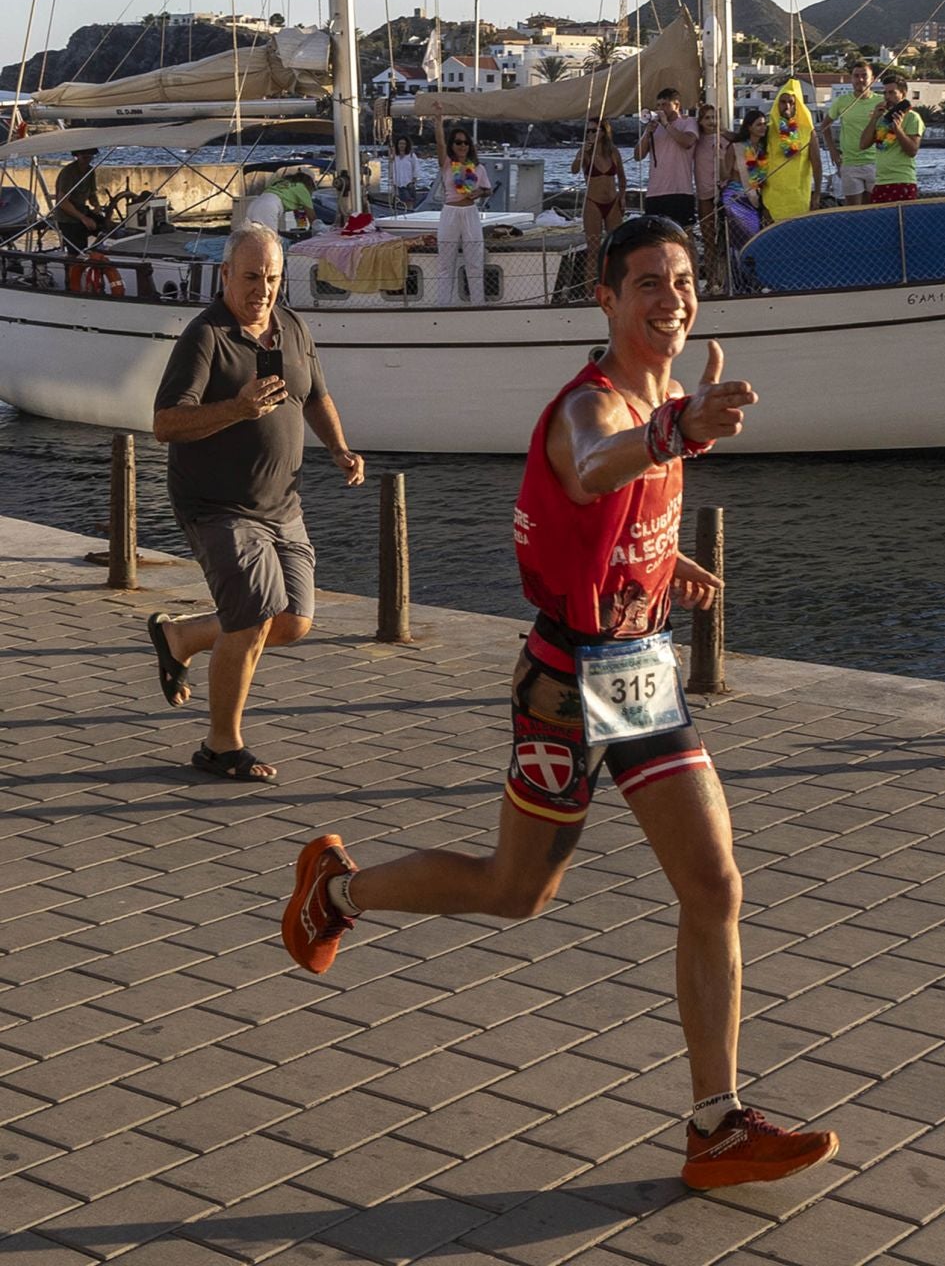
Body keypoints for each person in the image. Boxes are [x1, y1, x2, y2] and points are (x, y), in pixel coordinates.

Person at [281, 214, 839, 1192]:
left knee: (713, 886)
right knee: (514, 892)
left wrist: (672, 562)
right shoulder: (594, 408)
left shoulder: (662, 395)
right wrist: (677, 428)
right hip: (565, 683)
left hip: (641, 672)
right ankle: (335, 891)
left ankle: (715, 1123)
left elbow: (624, 511)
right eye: (647, 283)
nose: (670, 296)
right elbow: (591, 467)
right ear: (606, 300)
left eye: (681, 279)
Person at [146, 222, 364, 781]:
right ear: (225, 275)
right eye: (250, 277)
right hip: (217, 505)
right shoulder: (206, 337)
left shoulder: (290, 326)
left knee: (293, 620)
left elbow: (315, 393)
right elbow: (166, 423)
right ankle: (221, 745)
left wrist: (339, 447)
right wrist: (236, 409)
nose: (261, 290)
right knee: (251, 615)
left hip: (281, 504)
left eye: (271, 278)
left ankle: (181, 636)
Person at [432, 105, 493, 306]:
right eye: (458, 142)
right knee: (445, 263)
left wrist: (480, 192)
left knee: (474, 262)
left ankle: (478, 304)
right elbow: (440, 144)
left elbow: (487, 189)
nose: (462, 146)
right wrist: (438, 120)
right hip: (451, 213)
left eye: (466, 143)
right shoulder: (447, 164)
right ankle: (443, 305)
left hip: (470, 213)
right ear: (453, 144)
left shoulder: (477, 167)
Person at [571, 116, 627, 286]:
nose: (590, 134)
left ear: (603, 132)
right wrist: (581, 154)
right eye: (587, 131)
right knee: (593, 249)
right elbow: (573, 170)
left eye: (593, 130)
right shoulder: (586, 153)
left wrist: (622, 196)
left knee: (615, 248)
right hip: (593, 202)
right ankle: (589, 290)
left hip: (612, 202)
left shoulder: (613, 152)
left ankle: (616, 286)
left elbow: (622, 178)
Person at [634, 87, 697, 227]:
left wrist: (666, 125)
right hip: (655, 192)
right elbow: (638, 156)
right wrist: (647, 133)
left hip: (680, 190)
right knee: (656, 235)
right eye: (658, 105)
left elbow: (687, 142)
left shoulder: (688, 122)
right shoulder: (654, 128)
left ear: (677, 105)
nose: (661, 109)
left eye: (665, 105)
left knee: (685, 234)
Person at [763, 80, 822, 222]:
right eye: (783, 102)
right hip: (773, 196)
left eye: (791, 102)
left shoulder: (807, 131)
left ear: (797, 105)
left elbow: (817, 164)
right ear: (777, 103)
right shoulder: (767, 129)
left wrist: (817, 194)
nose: (787, 106)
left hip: (798, 196)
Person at [862, 69, 924, 203]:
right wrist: (874, 119)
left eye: (891, 92)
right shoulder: (882, 119)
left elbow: (912, 150)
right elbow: (863, 144)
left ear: (903, 94)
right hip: (880, 181)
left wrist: (898, 129)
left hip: (902, 180)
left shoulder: (913, 118)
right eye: (885, 93)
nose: (887, 96)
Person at [822, 60, 879, 205]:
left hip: (876, 162)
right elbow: (824, 126)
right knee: (853, 212)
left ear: (872, 79)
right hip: (849, 163)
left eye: (864, 76)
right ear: (851, 79)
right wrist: (833, 151)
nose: (860, 79)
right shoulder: (842, 102)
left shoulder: (881, 102)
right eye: (856, 76)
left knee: (874, 210)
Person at [720, 109, 769, 249]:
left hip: (754, 200)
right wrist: (719, 157)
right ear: (749, 127)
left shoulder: (763, 149)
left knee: (755, 239)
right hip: (735, 199)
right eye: (759, 124)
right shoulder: (736, 147)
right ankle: (737, 268)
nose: (763, 127)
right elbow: (724, 175)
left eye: (764, 124)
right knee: (741, 240)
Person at [693, 102, 729, 287]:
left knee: (725, 238)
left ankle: (725, 278)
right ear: (700, 121)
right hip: (704, 194)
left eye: (714, 117)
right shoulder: (696, 142)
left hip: (723, 191)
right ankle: (711, 279)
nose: (711, 121)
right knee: (708, 239)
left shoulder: (724, 140)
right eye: (707, 118)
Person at [54, 147, 110, 254]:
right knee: (76, 248)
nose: (87, 157)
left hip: (81, 210)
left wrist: (97, 206)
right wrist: (84, 218)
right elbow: (63, 202)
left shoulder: (90, 171)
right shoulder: (69, 172)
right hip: (67, 217)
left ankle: (97, 253)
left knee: (106, 227)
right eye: (83, 155)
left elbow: (92, 194)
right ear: (77, 155)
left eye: (89, 155)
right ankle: (73, 265)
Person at [243, 171, 317, 237]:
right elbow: (312, 217)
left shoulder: (280, 183)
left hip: (254, 205)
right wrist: (318, 232)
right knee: (270, 240)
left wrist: (301, 226)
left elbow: (299, 213)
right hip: (269, 207)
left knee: (252, 237)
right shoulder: (302, 188)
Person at [386, 135, 426, 209]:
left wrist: (414, 179)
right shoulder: (395, 157)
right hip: (398, 182)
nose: (402, 146)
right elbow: (391, 169)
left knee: (409, 200)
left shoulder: (411, 156)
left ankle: (409, 211)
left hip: (408, 182)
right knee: (401, 200)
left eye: (404, 144)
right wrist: (391, 180)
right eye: (400, 144)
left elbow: (416, 167)